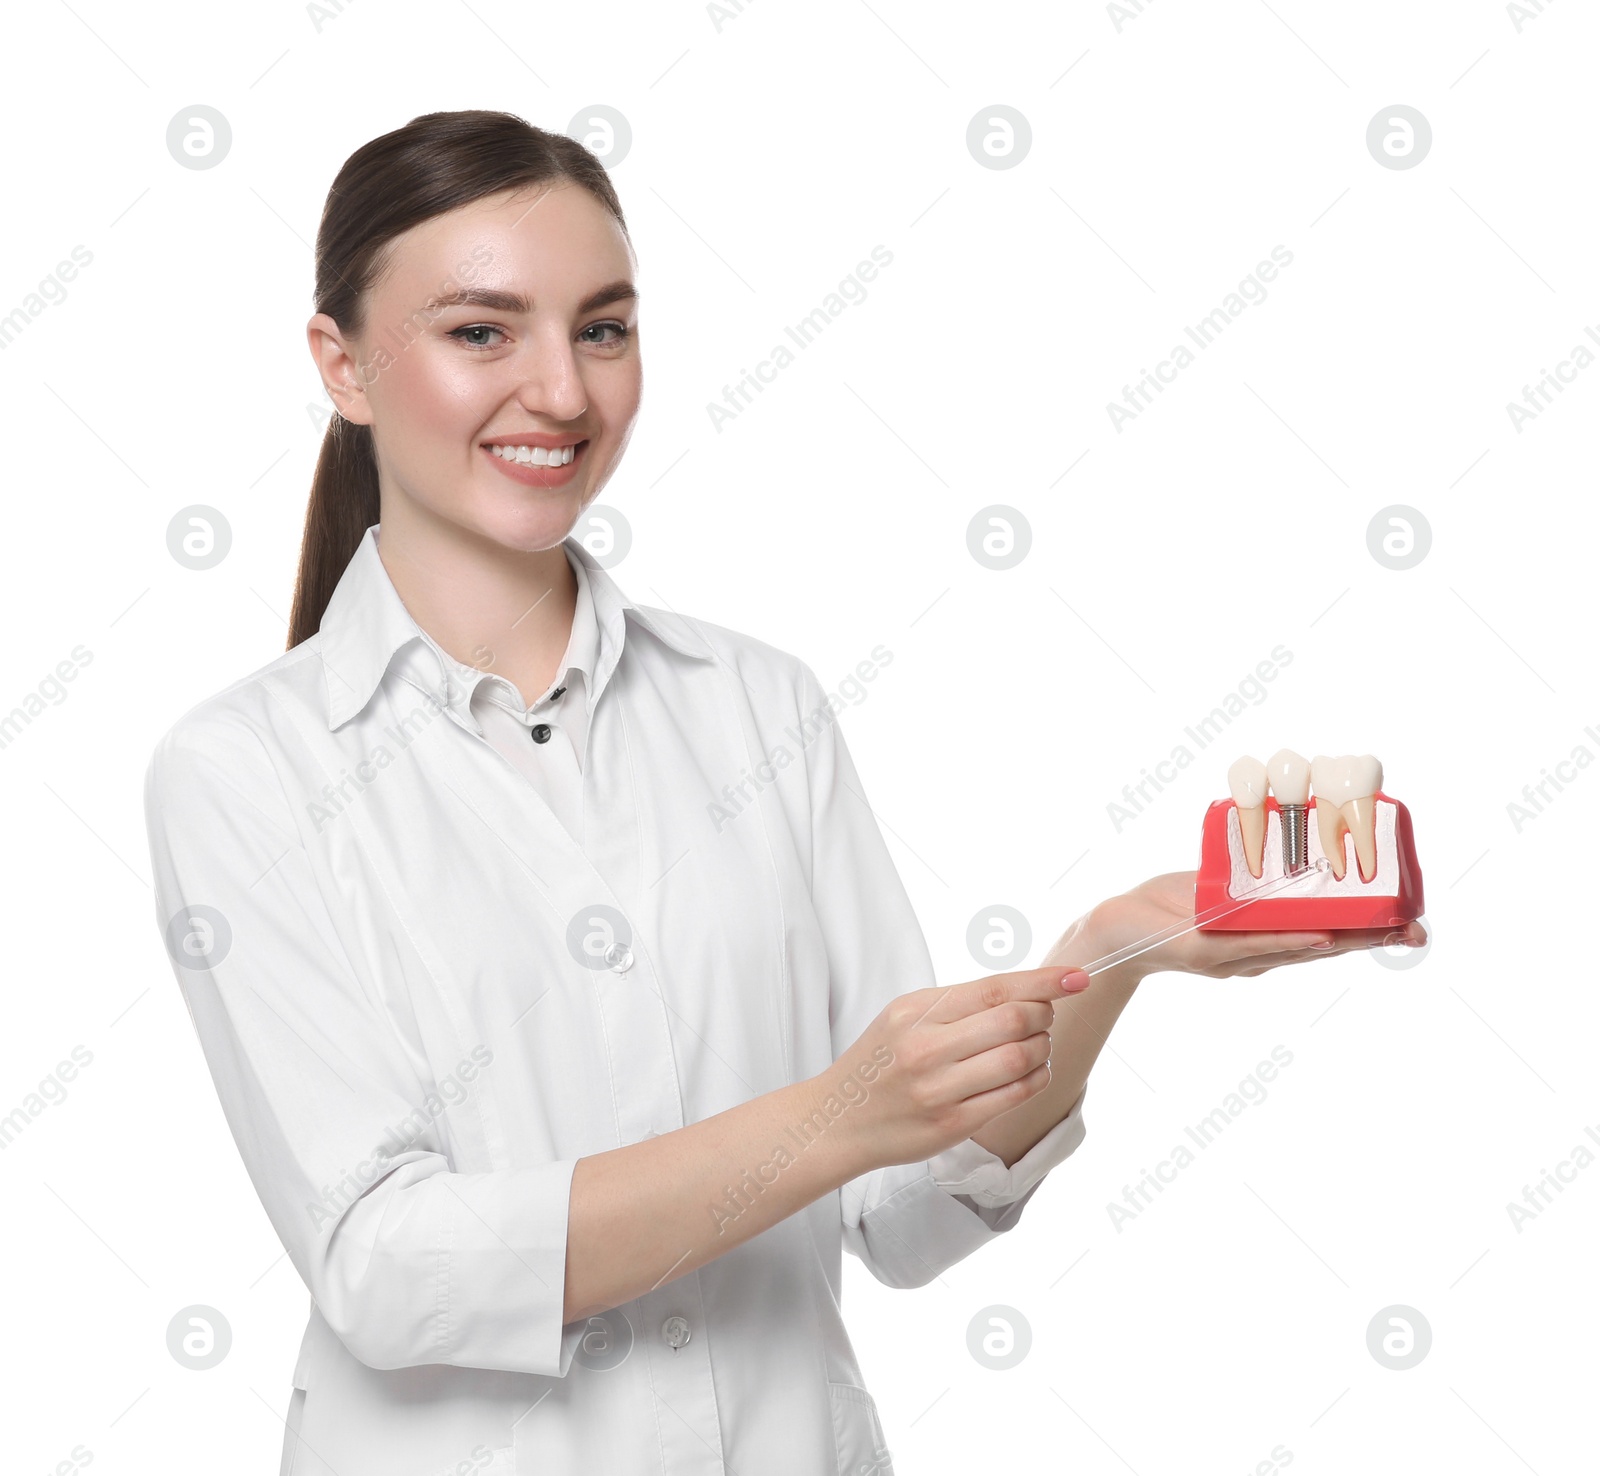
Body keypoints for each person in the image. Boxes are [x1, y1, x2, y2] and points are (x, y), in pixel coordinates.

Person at [142, 109, 1424, 1476]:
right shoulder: (244, 773)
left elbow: (905, 1211)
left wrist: (1108, 959)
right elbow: (387, 1268)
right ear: (344, 366)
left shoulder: (757, 708)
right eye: (480, 332)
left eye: (603, 327)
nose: (563, 394)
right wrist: (831, 1116)